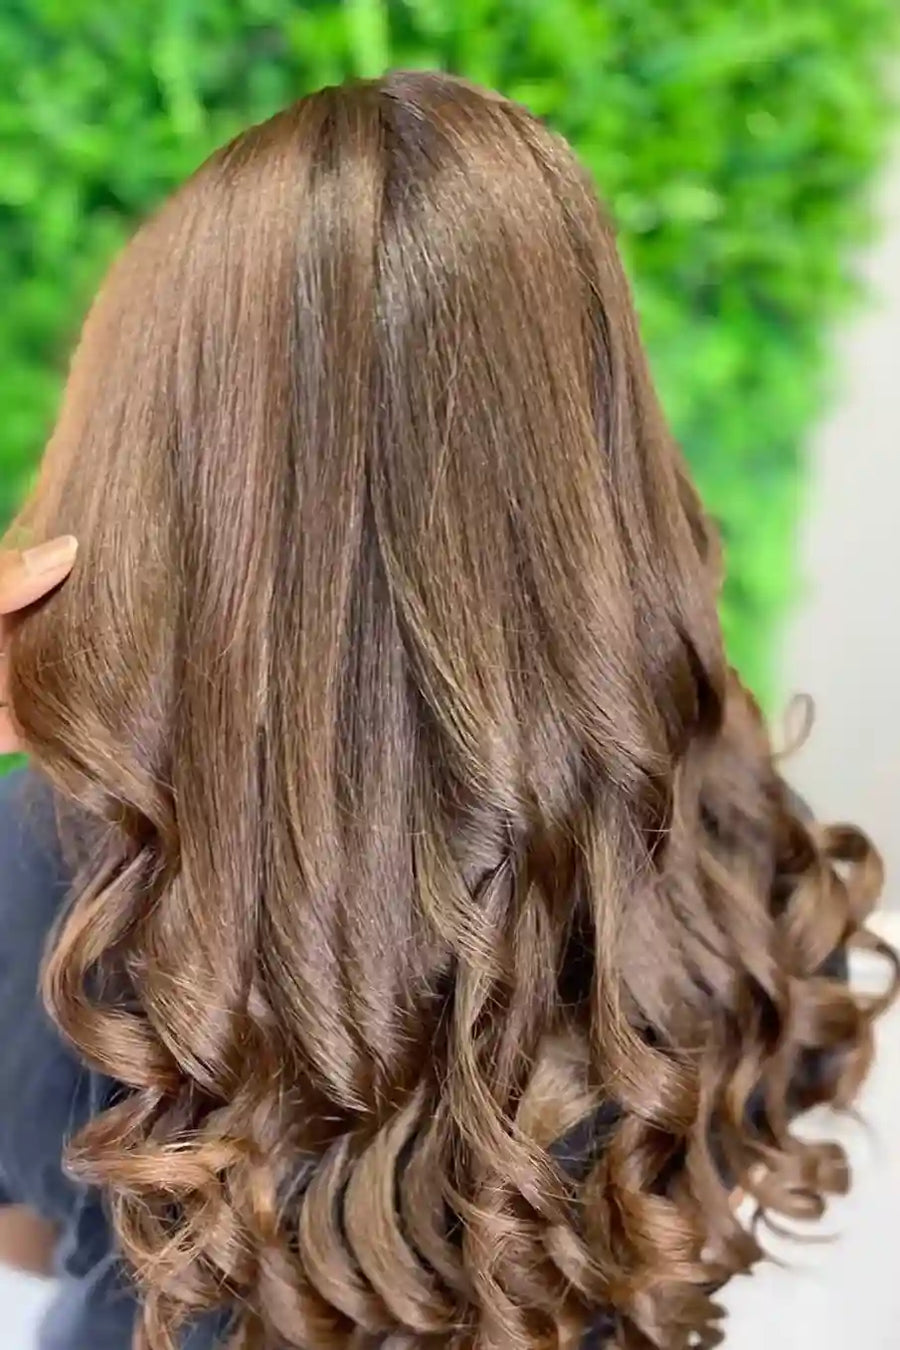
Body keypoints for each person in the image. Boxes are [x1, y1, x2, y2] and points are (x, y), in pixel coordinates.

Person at [0, 71, 895, 1350]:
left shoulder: (60, 869)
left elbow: (26, 1232)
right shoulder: (731, 841)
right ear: (594, 457)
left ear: (163, 478)